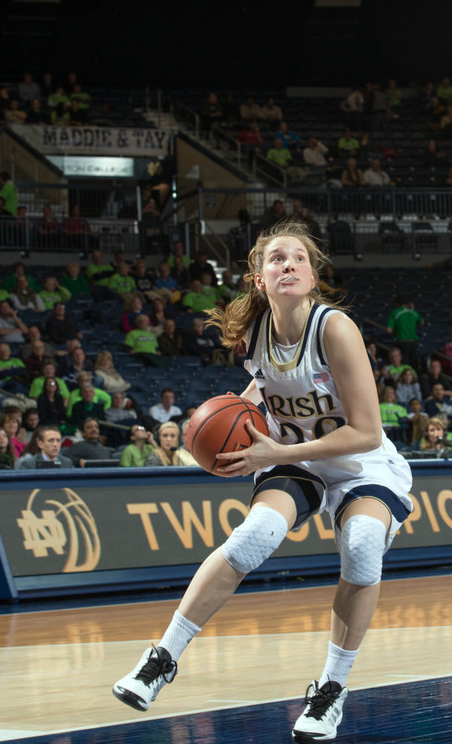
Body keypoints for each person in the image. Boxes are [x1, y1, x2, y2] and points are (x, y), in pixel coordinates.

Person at [113, 220, 414, 744]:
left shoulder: (334, 328)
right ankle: (161, 659)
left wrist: (277, 450)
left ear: (313, 276)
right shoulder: (255, 333)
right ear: (259, 279)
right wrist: (233, 420)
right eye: (277, 259)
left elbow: (366, 432)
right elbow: (265, 382)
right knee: (251, 538)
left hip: (360, 462)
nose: (289, 265)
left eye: (299, 258)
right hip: (295, 455)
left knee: (364, 546)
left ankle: (330, 691)